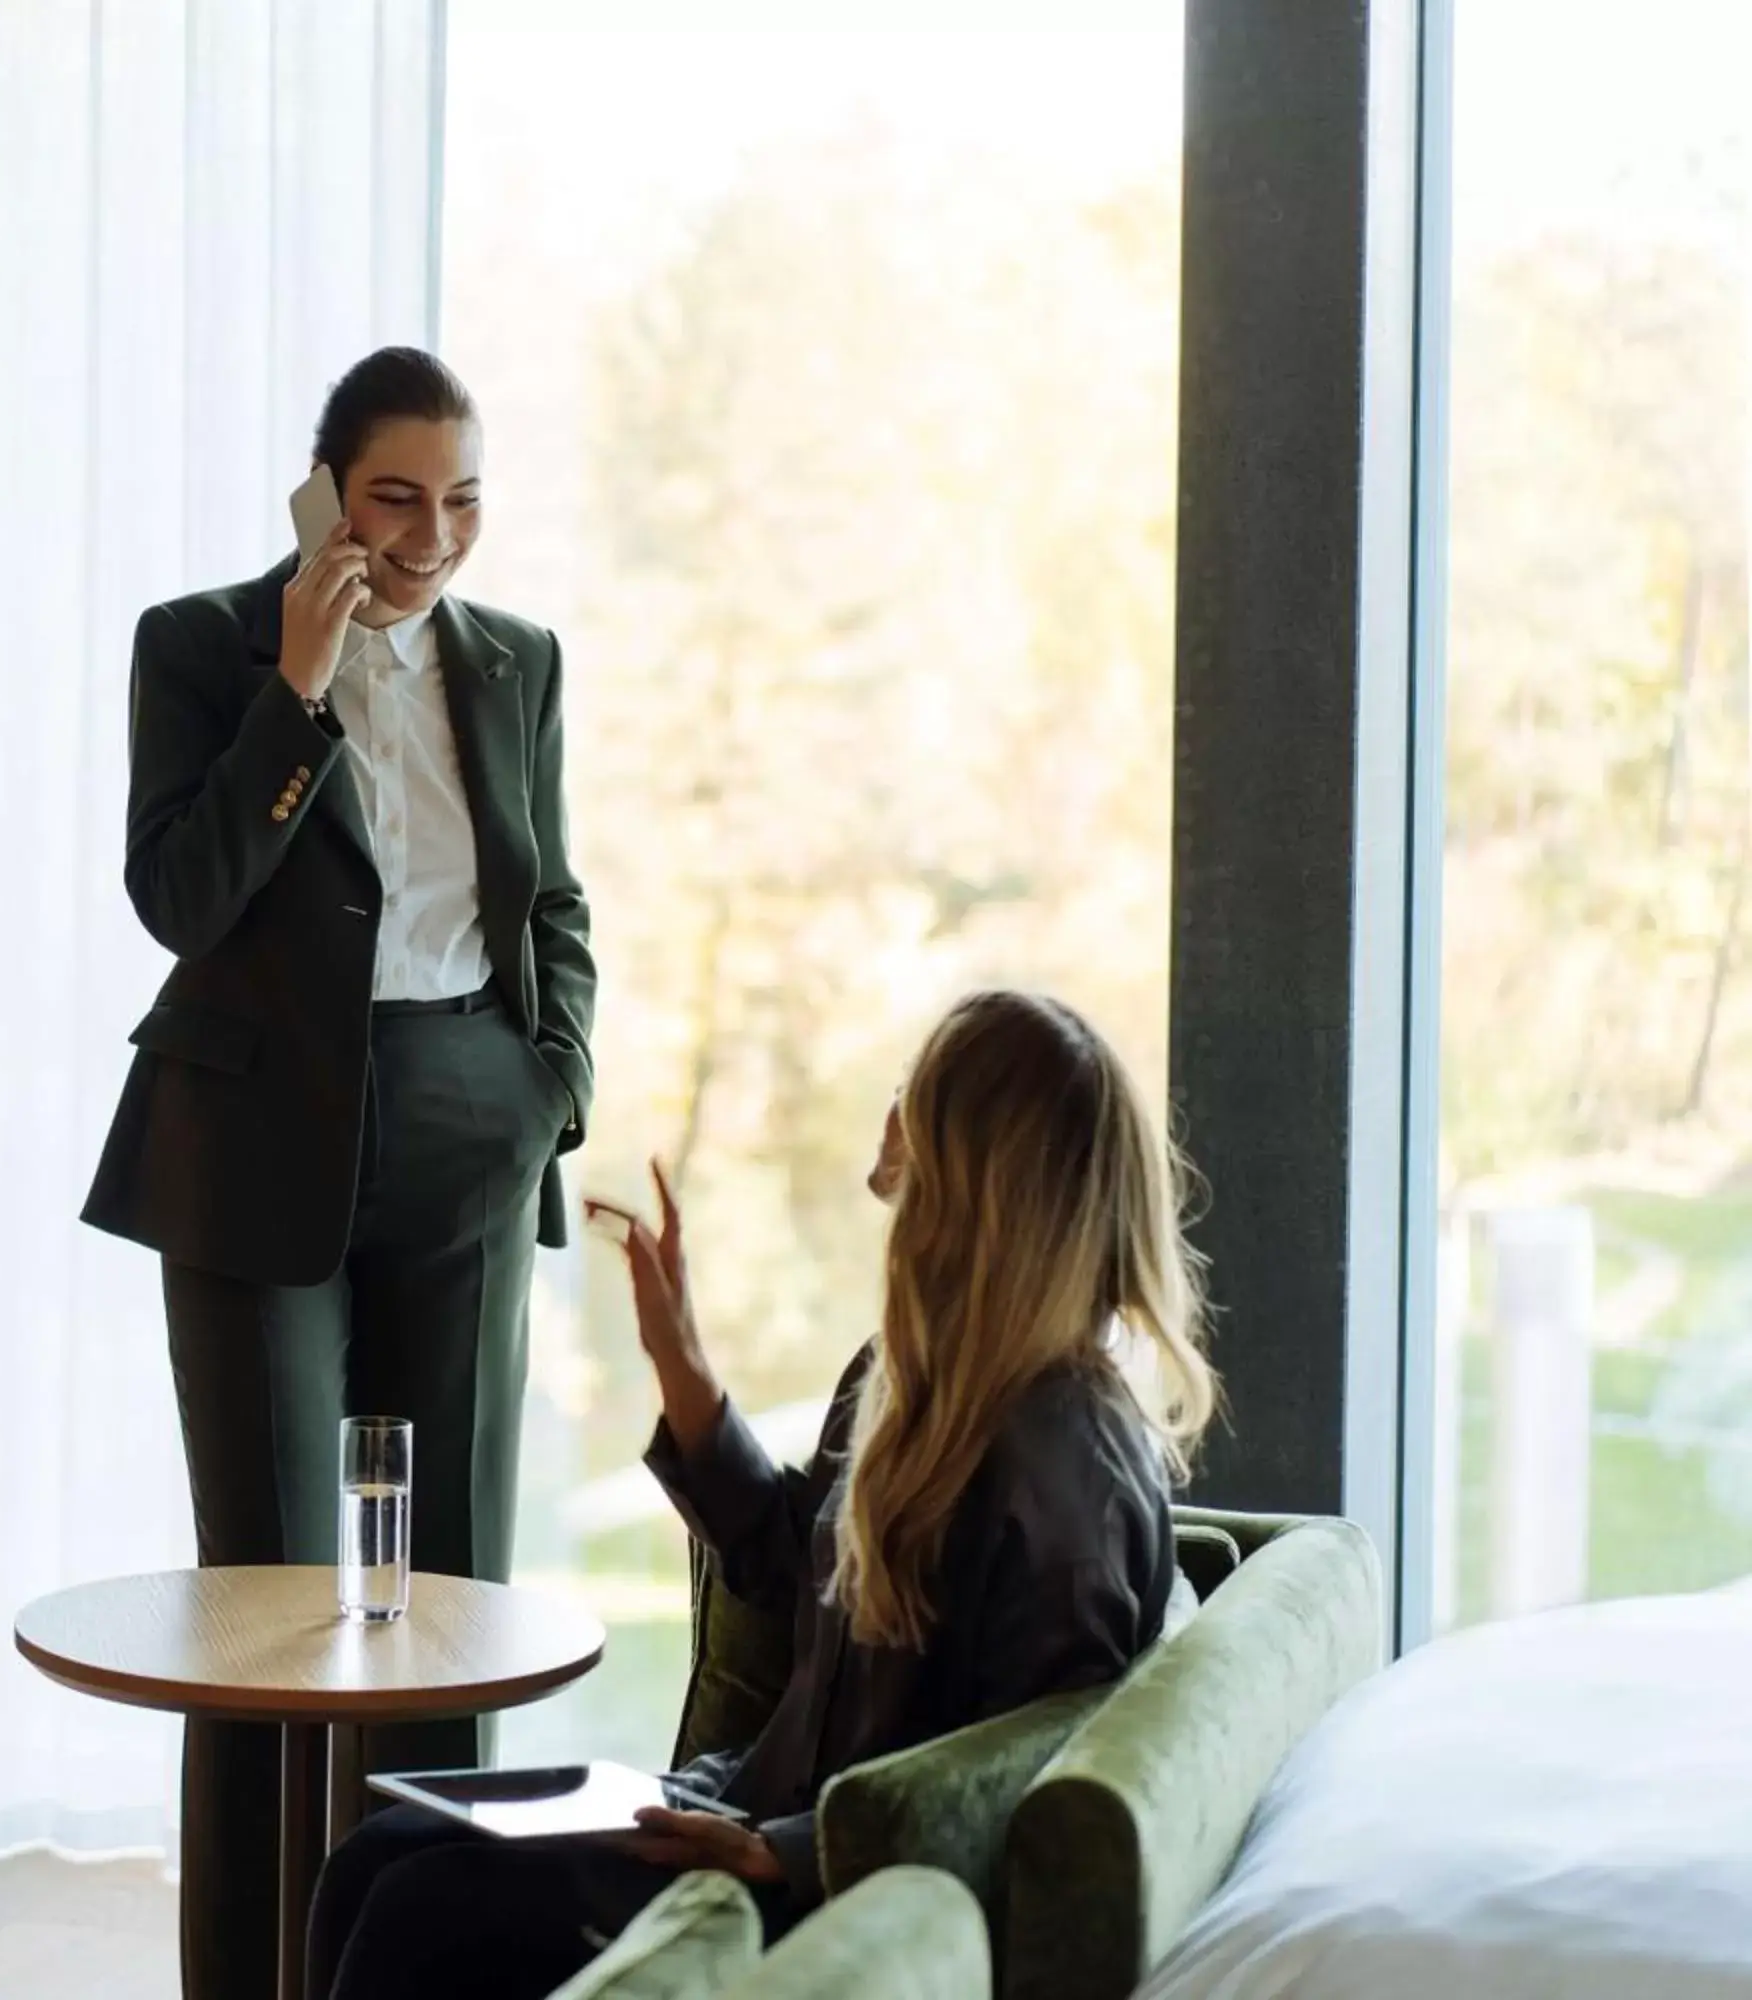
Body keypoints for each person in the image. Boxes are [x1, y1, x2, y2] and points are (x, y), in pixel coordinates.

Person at [304, 988, 1221, 2000]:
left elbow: (1011, 1777)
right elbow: (799, 1573)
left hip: (812, 1884)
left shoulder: (1068, 1471)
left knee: (411, 1916)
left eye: (922, 1097)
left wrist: (781, 1851)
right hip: (742, 1806)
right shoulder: (920, 1375)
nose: (895, 1115)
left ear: (976, 1181)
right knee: (369, 1863)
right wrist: (686, 1370)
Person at [82, 347, 596, 2000]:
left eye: (459, 498)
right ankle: (248, 1973)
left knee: (446, 1586)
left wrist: (550, 1087)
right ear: (322, 490)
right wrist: (293, 692)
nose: (433, 534)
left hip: (465, 1114)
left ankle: (437, 1965)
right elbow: (182, 895)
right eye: (395, 496)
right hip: (251, 1141)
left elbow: (554, 902)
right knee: (271, 1597)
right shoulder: (203, 644)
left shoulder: (519, 664)